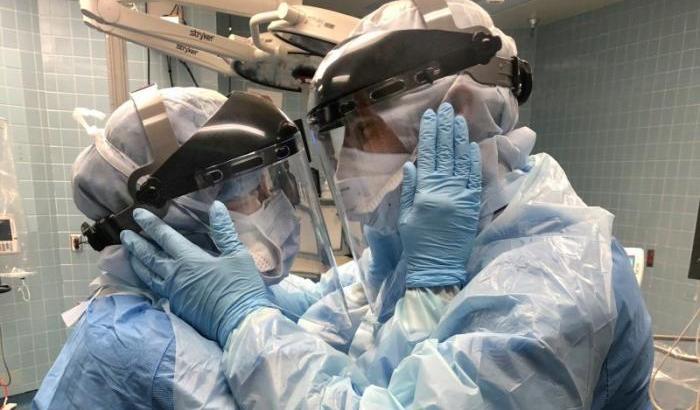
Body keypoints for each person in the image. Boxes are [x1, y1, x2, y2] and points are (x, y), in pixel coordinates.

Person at [123, 1, 653, 409]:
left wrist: (245, 320)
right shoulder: (428, 240)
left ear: (458, 111)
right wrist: (241, 290)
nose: (342, 170)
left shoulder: (553, 288)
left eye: (364, 132)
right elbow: (337, 306)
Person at [34, 86, 349, 409]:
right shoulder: (147, 346)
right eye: (255, 190)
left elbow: (323, 305)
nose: (271, 200)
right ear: (174, 212)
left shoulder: (215, 292)